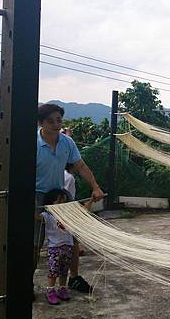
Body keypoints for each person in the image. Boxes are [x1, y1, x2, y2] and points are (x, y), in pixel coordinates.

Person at [35, 104, 104, 295]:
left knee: (71, 239)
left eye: (59, 120)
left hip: (60, 196)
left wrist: (95, 187)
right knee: (35, 241)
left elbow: (80, 166)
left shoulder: (66, 142)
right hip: (37, 195)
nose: (56, 125)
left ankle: (73, 278)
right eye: (51, 121)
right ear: (40, 123)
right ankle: (28, 283)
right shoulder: (32, 143)